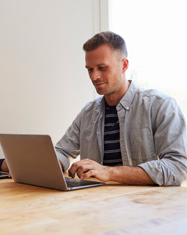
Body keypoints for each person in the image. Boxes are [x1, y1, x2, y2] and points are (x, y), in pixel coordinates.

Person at [55, 31, 187, 186]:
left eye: (102, 68)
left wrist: (109, 172)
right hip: (96, 205)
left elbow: (177, 167)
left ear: (124, 65)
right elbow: (62, 151)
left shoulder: (161, 105)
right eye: (90, 69)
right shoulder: (88, 113)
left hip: (145, 206)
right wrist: (51, 164)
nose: (94, 76)